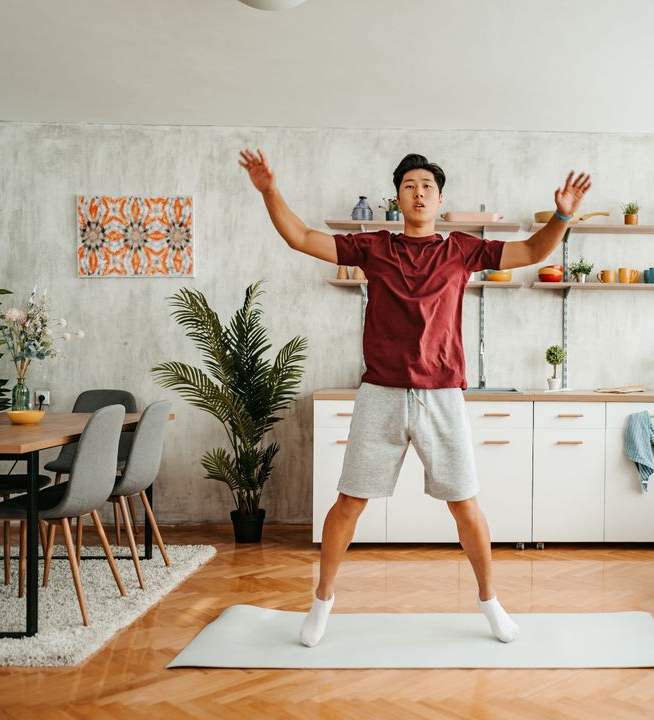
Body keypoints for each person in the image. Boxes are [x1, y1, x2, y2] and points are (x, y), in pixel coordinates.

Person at [238, 149, 592, 646]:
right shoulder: (374, 247)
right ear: (398, 197)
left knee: (466, 505)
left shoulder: (461, 250)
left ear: (440, 198)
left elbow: (532, 253)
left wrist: (562, 214)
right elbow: (300, 238)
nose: (419, 191)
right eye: (409, 185)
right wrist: (269, 190)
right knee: (349, 502)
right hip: (381, 393)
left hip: (442, 395)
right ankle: (322, 602)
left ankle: (490, 602)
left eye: (427, 185)